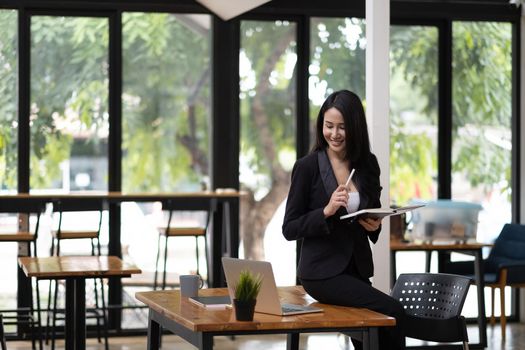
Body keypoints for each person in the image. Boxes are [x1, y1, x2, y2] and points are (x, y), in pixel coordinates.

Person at [282, 90, 406, 350]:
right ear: (321, 126)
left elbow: (371, 212)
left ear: (355, 128)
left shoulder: (368, 165)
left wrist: (375, 224)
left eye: (342, 127)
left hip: (357, 270)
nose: (334, 134)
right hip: (321, 273)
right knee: (393, 311)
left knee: (371, 333)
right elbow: (289, 227)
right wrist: (325, 211)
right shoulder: (307, 167)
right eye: (329, 126)